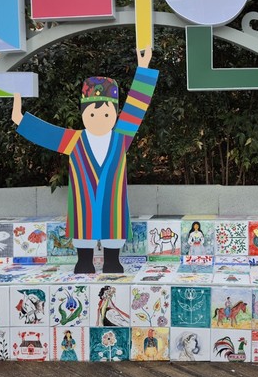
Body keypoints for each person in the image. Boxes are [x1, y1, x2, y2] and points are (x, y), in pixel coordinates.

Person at [12, 47, 157, 273]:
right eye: (92, 114)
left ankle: (112, 261)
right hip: (84, 203)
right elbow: (46, 134)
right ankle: (84, 261)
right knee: (84, 230)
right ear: (83, 114)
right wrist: (20, 118)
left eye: (106, 114)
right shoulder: (74, 140)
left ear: (115, 115)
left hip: (112, 202)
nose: (99, 119)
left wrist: (144, 69)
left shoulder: (121, 137)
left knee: (112, 230)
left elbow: (136, 109)